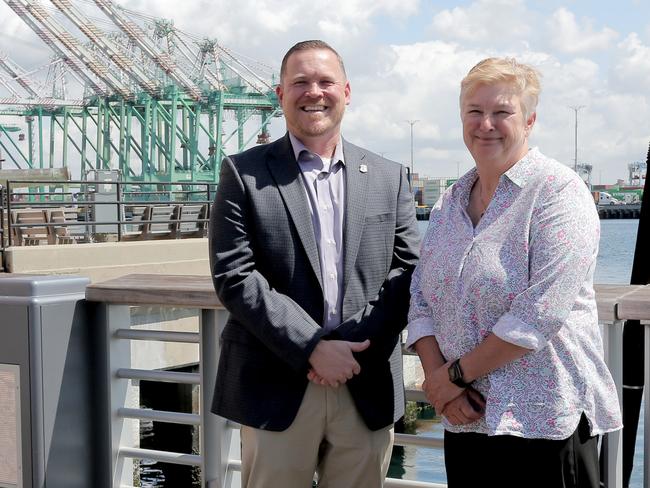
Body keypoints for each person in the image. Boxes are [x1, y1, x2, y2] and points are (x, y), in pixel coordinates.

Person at [209, 40, 420, 488]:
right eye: (300, 82)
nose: (314, 92)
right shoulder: (242, 173)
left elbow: (408, 272)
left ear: (346, 90)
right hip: (276, 381)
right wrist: (313, 347)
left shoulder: (389, 175)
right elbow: (234, 275)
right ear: (279, 93)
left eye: (325, 81)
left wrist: (352, 345)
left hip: (364, 379)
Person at [406, 57, 622, 488]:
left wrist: (450, 379)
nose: (486, 124)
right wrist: (439, 384)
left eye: (502, 112)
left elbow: (539, 313)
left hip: (542, 420)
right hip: (466, 418)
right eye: (474, 112)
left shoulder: (558, 193)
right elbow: (421, 298)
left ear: (529, 120)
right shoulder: (450, 201)